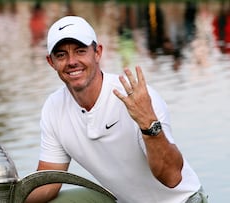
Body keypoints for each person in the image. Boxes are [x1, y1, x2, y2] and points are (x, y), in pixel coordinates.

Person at [25, 16, 207, 203]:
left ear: (98, 53)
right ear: (51, 61)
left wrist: (148, 123)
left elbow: (172, 178)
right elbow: (48, 183)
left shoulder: (136, 97)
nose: (72, 61)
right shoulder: (53, 107)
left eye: (80, 51)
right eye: (61, 55)